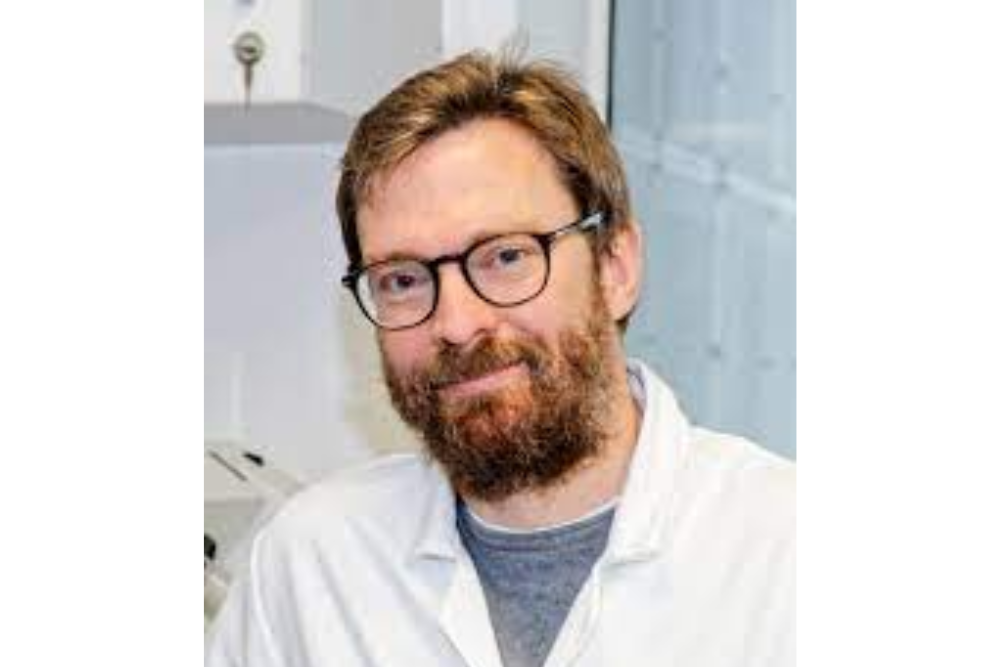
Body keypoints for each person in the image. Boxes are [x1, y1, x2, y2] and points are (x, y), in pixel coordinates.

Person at [207, 49, 794, 667]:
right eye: (403, 280)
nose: (457, 324)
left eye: (506, 257)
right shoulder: (309, 571)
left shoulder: (785, 554)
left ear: (615, 268)